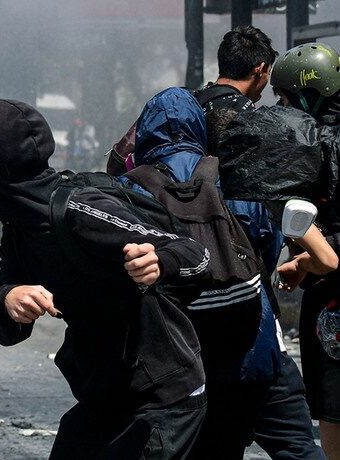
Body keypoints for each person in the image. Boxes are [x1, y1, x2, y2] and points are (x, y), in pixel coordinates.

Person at [0, 99, 210, 459]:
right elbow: (2, 325)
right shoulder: (19, 228)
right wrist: (9, 300)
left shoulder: (80, 210)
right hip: (103, 395)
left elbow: (195, 254)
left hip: (161, 396)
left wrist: (160, 262)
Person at [189, 27, 327, 460]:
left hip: (194, 289)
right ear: (262, 70)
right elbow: (276, 200)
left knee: (217, 434)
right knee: (293, 436)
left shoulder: (185, 112)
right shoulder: (257, 124)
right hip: (249, 284)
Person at [269, 42, 340, 460]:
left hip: (334, 303)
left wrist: (305, 261)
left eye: (285, 99)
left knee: (333, 415)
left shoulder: (321, 145)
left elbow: (332, 250)